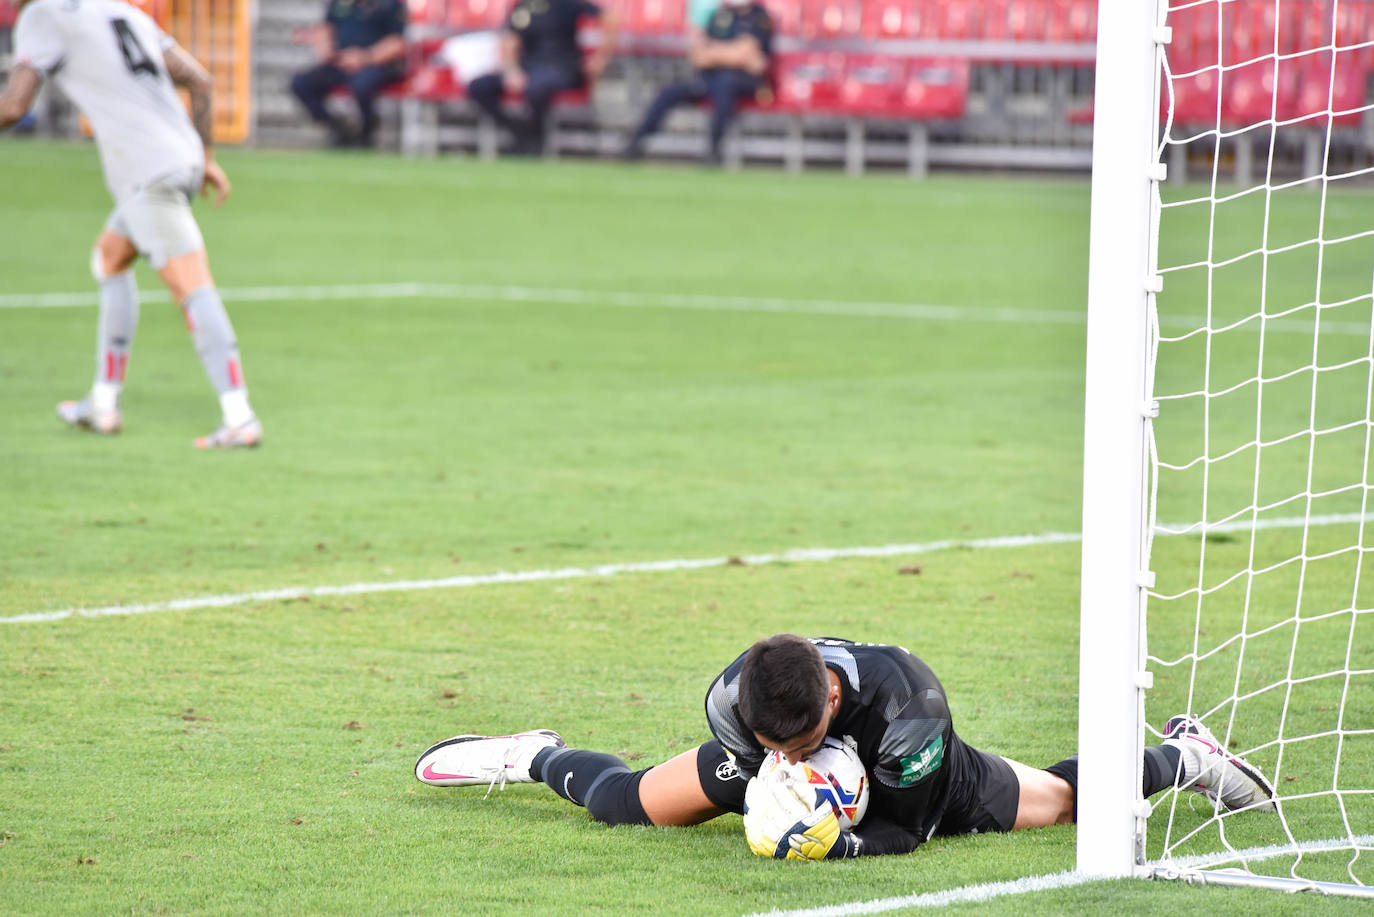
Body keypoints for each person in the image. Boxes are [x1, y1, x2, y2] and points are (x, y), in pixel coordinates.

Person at [414, 634, 1277, 859]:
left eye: (801, 745)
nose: (786, 759)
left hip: (918, 783)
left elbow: (908, 830)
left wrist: (840, 839)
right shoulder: (736, 700)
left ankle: (1188, 755)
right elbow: (767, 754)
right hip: (828, 751)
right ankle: (528, 753)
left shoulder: (911, 711)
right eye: (770, 748)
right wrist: (777, 780)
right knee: (627, 806)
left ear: (831, 696)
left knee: (1067, 803)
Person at [0, 0, 262, 449]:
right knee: (110, 256)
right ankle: (103, 402)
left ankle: (239, 416)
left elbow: (14, 105)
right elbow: (199, 78)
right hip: (177, 160)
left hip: (148, 172)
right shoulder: (123, 12)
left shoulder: (43, 16)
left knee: (192, 287)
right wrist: (207, 157)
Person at [621, 0, 774, 164]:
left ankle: (714, 150)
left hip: (744, 81)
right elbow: (699, 55)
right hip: (710, 78)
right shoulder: (721, 15)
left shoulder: (760, 17)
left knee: (725, 84)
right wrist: (732, 53)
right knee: (668, 92)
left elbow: (746, 54)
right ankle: (635, 144)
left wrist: (716, 53)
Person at [466, 0, 616, 156]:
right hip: (529, 68)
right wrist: (512, 70)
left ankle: (535, 142)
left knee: (536, 87)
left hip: (563, 69)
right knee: (479, 87)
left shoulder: (568, 3)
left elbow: (609, 16)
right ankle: (518, 129)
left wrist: (602, 56)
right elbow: (510, 40)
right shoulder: (524, 6)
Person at [290, 0, 407, 148]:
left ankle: (366, 131)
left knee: (362, 86)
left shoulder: (390, 5)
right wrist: (325, 48)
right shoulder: (339, 4)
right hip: (340, 63)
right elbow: (326, 27)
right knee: (301, 83)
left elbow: (399, 43)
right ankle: (336, 127)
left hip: (376, 64)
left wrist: (365, 57)